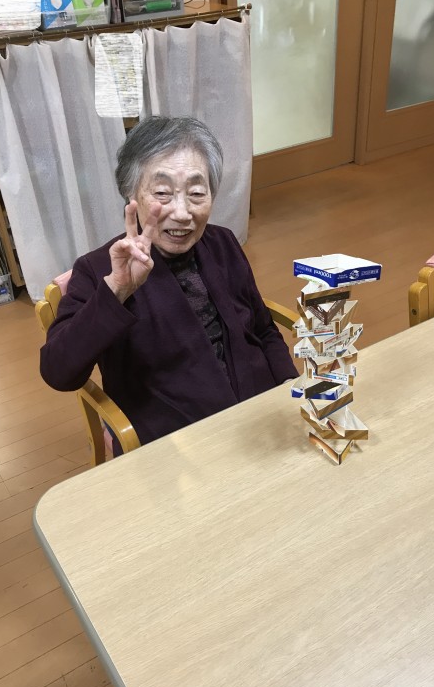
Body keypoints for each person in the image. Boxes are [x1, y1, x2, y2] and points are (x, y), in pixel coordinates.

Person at [40, 116, 297, 454]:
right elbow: (59, 372)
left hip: (260, 413)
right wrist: (116, 291)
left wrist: (291, 387)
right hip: (178, 441)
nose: (182, 213)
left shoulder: (222, 243)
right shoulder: (98, 269)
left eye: (196, 193)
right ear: (131, 194)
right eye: (162, 193)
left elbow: (262, 329)